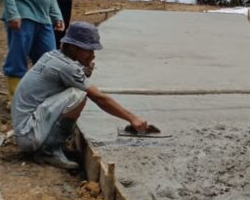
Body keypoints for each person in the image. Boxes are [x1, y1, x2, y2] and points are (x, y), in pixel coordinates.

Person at [13, 21, 149, 169]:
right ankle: (50, 151)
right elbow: (100, 98)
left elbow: (67, 73)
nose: (92, 55)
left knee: (76, 92)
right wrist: (132, 118)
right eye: (89, 50)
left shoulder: (52, 56)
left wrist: (82, 71)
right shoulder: (67, 67)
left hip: (24, 129)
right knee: (78, 95)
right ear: (73, 47)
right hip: (29, 135)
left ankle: (52, 146)